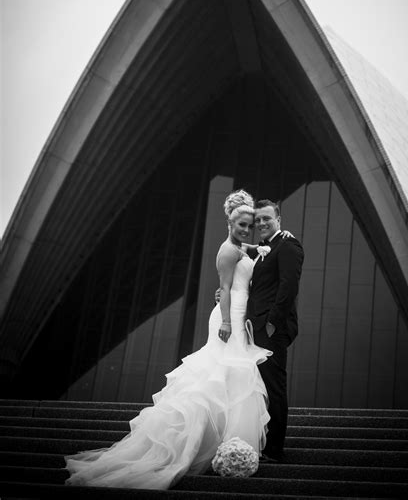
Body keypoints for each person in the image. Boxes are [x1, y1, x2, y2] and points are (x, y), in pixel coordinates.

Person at [64, 189, 273, 490]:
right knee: (218, 376)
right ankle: (206, 445)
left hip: (240, 312)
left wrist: (259, 249)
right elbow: (225, 289)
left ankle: (228, 443)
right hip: (231, 315)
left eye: (249, 224)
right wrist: (226, 320)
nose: (246, 229)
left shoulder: (240, 247)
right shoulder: (228, 250)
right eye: (241, 224)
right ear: (230, 221)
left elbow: (244, 260)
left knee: (232, 377)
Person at [246, 199, 304, 463]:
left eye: (266, 218)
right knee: (260, 388)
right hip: (254, 328)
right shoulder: (262, 250)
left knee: (274, 387)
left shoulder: (288, 245)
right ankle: (261, 441)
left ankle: (274, 449)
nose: (261, 224)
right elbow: (257, 288)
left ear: (278, 218)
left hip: (271, 329)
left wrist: (271, 323)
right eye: (257, 220)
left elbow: (288, 286)